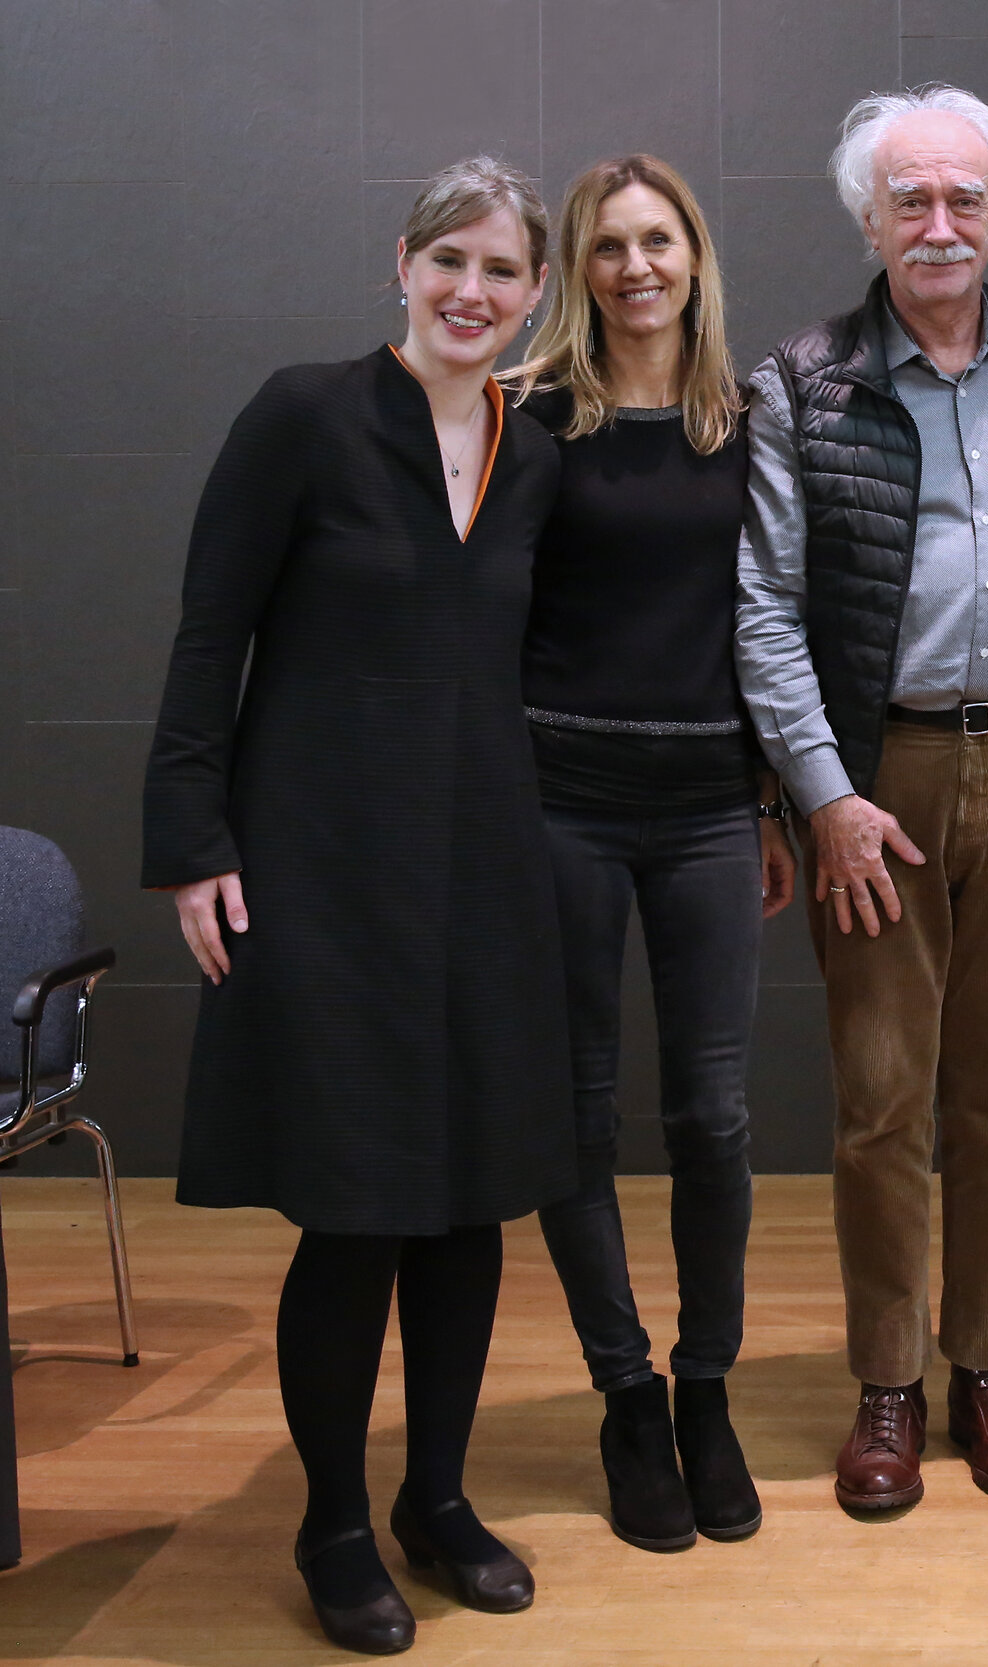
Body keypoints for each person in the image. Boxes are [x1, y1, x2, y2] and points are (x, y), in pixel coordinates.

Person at [142, 158, 567, 1655]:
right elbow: (211, 637)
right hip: (320, 871)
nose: (473, 292)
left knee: (467, 1209)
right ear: (402, 262)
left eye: (503, 272)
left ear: (535, 295)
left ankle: (434, 1501)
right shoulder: (304, 414)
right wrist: (189, 844)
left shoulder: (537, 450)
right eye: (450, 259)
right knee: (358, 1209)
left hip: (485, 875)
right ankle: (332, 1519)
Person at [733, 84, 988, 1510]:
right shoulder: (804, 381)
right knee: (883, 1100)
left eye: (962, 199)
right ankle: (888, 1388)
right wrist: (818, 796)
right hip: (876, 781)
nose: (937, 226)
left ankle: (985, 1370)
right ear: (867, 218)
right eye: (908, 202)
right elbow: (763, 611)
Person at [507, 154, 796, 1555]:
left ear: (695, 256)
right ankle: (623, 1393)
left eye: (658, 240)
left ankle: (706, 1390)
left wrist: (778, 802)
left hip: (702, 809)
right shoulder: (532, 423)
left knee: (712, 1120)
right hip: (559, 800)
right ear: (577, 267)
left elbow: (775, 629)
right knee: (578, 1110)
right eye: (608, 245)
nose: (636, 267)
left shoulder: (744, 419)